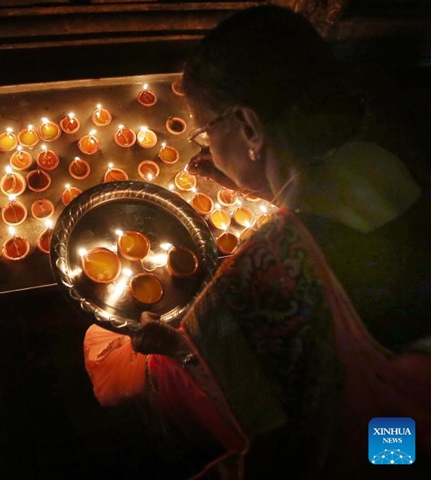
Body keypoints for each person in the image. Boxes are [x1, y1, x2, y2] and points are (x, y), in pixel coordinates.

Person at [83, 5, 431, 479]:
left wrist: (178, 346)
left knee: (105, 354)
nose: (205, 146)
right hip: (413, 407)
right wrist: (261, 182)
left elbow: (247, 402)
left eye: (205, 129)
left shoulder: (267, 267)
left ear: (248, 127)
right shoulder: (386, 157)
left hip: (373, 441)